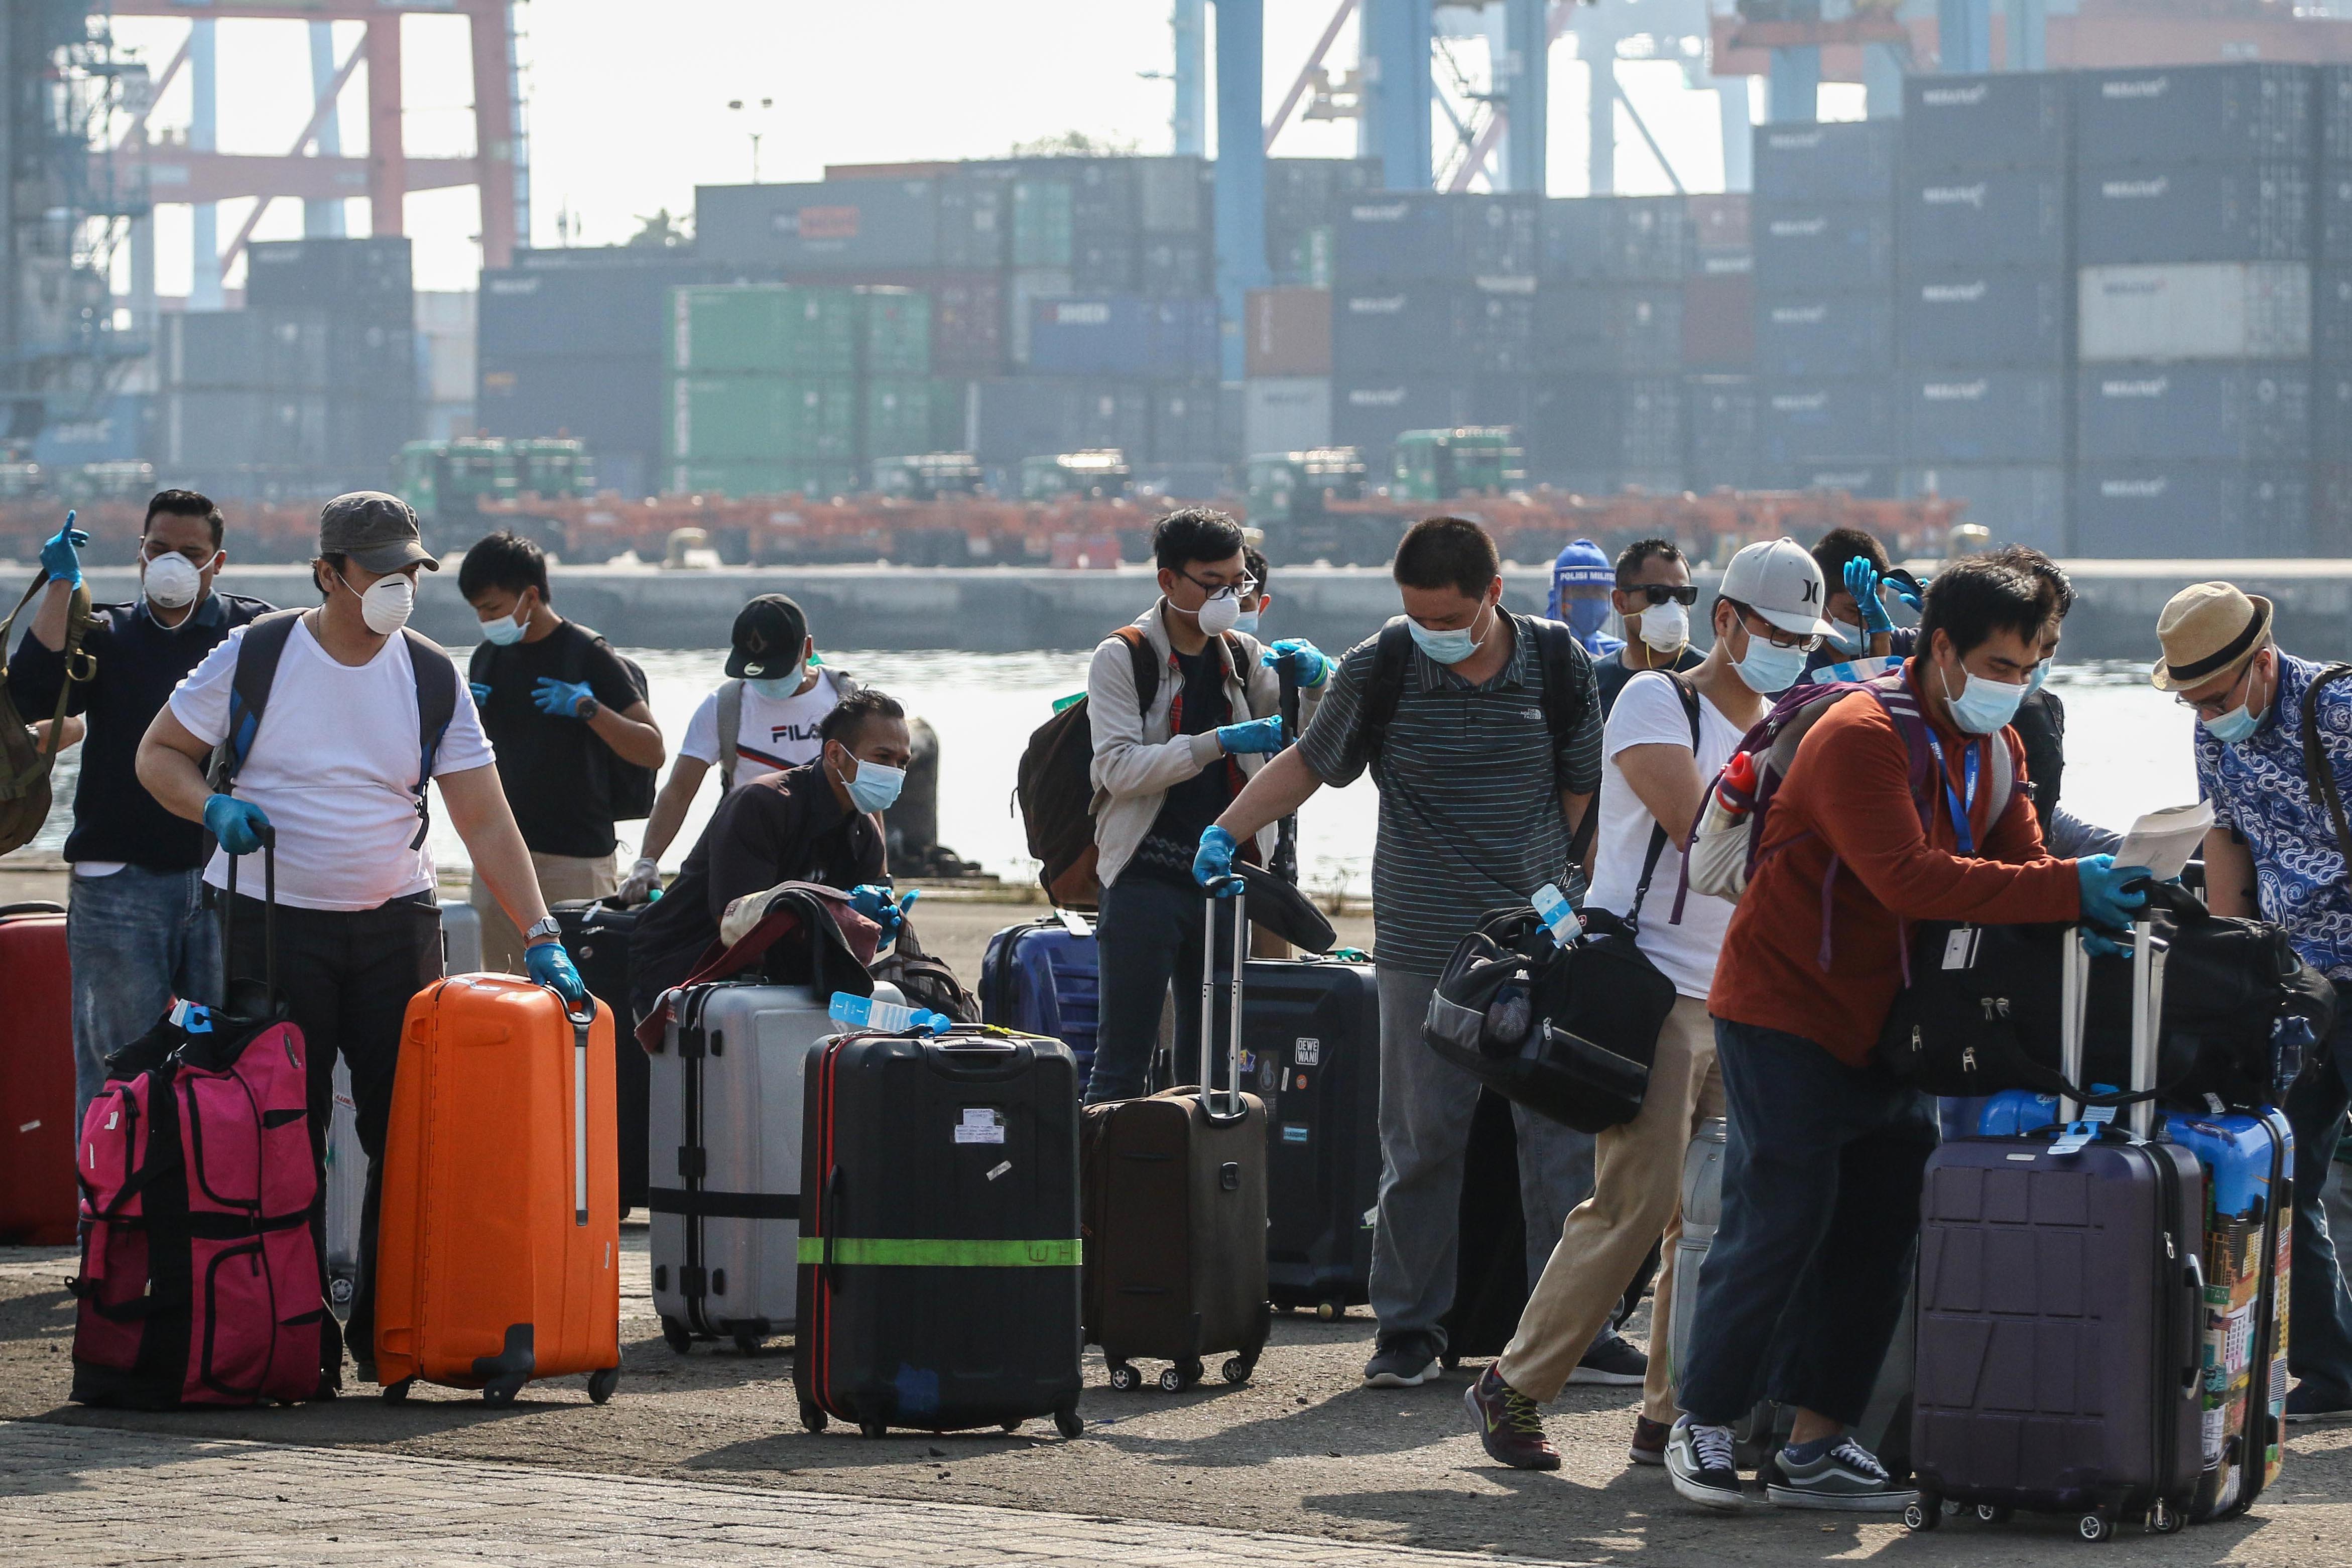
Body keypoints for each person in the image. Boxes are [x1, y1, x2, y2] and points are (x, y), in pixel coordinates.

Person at [1666, 553, 2145, 1511]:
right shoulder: (1859, 732)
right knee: (1779, 1219)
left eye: (2035, 664)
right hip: (1784, 1006)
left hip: (1893, 1024)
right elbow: (1908, 876)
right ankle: (1704, 1419)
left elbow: (2022, 862)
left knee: (1882, 1228)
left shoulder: (1993, 747)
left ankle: (1817, 1441)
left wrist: (2087, 901)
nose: (2018, 682)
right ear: (1942, 647)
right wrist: (2066, 889)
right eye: (2003, 664)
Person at [134, 490, 588, 1387]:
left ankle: (393, 1333)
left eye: (409, 569)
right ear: (328, 572)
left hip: (397, 924)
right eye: (379, 570)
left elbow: (485, 818)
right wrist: (212, 806)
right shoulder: (257, 653)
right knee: (279, 1131)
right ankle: (288, 1335)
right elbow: (159, 754)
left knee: (411, 1132)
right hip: (265, 923)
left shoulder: (430, 673)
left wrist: (541, 932)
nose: (398, 586)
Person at [1197, 515, 1644, 1390]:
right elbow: (1310, 761)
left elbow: (1583, 790)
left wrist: (1590, 905)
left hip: (1539, 939)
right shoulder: (1385, 662)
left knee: (1560, 1143)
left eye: (1447, 617)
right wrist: (1226, 828)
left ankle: (1577, 1331)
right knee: (1420, 1140)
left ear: (1493, 594)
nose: (1431, 632)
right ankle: (1407, 1328)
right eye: (1417, 615)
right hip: (1420, 941)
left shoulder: (1555, 662)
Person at [1465, 541, 1807, 1471]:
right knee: (1636, 1201)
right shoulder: (1659, 701)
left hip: (1739, 995)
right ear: (1726, 619)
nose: (1788, 652)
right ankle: (1515, 1381)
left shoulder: (1785, 724)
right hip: (1652, 991)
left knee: (1713, 1221)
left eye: (1803, 640)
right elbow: (1710, 839)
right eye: (1775, 633)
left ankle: (1671, 1412)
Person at [7, 492, 274, 1122]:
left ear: (218, 562)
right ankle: (106, 1189)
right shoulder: (106, 632)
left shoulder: (253, 633)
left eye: (191, 552)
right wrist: (59, 586)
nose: (172, 562)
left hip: (226, 878)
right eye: (159, 548)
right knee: (117, 1067)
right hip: (118, 881)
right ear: (140, 553)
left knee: (231, 1062)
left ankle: (211, 1185)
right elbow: (29, 697)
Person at [2157, 580, 2352, 1422]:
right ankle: (2333, 1368)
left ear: (2262, 663)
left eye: (2216, 697)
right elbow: (2225, 841)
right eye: (2193, 702)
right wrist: (2237, 967)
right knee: (2284, 1168)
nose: (2207, 715)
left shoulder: (2338, 710)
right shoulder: (2213, 731)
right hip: (2298, 976)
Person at [1082, 508, 1328, 1104]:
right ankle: (1103, 1162)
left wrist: (1317, 682)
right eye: (1212, 583)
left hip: (1221, 882)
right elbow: (1117, 769)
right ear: (1168, 581)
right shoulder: (1123, 656)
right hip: (1143, 877)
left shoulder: (1242, 655)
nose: (1228, 597)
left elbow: (1306, 749)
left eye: (1238, 583)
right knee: (1122, 1062)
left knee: (1212, 1068)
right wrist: (1215, 742)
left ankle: (1199, 1164)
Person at [629, 687, 912, 1019]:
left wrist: (875, 927)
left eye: (902, 762)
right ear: (835, 754)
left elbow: (855, 941)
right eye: (883, 757)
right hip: (683, 971)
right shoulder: (762, 805)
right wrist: (840, 916)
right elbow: (734, 921)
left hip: (777, 983)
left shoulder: (865, 832)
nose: (894, 771)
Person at [459, 531, 667, 971]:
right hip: (501, 854)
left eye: (493, 608)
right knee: (502, 988)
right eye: (478, 611)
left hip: (576, 858)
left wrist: (588, 708)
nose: (485, 620)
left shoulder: (587, 654)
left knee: (581, 988)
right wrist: (466, 717)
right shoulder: (487, 657)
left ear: (531, 596)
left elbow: (652, 750)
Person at [618, 593, 860, 904]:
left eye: (777, 670)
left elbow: (867, 787)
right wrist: (647, 861)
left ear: (808, 649)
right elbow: (678, 792)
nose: (768, 682)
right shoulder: (724, 707)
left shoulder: (845, 700)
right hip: (751, 855)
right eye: (757, 670)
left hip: (829, 854)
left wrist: (881, 877)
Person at [1986, 546, 2120, 859]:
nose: (2032, 662)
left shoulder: (2041, 712)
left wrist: (2119, 849)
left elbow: (2041, 821)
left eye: (2047, 648)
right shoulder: (1961, 713)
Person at [1591, 539, 1704, 717]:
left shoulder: (1711, 680)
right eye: (1657, 594)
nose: (1673, 606)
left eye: (1684, 595)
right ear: (1621, 602)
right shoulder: (1594, 682)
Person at [1804, 527, 1917, 679]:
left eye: (1877, 609)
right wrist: (1879, 641)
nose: (1868, 624)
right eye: (1854, 610)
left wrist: (1938, 611)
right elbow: (1876, 694)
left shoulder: (1896, 642)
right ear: (1819, 601)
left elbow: (1945, 652)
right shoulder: (1798, 664)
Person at [1549, 537, 1623, 661]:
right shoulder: (1533, 650)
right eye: (1580, 591)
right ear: (1558, 596)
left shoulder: (1619, 656)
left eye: (1598, 591)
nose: (1591, 600)